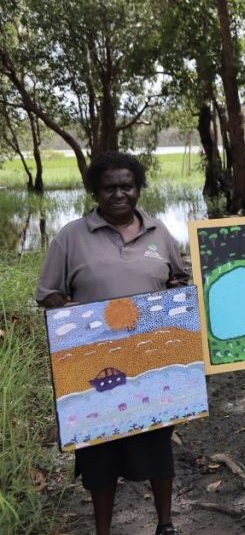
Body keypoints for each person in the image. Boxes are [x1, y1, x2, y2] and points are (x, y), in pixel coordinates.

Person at [36, 152, 189, 535]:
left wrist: (177, 292)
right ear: (95, 192)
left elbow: (180, 280)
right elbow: (48, 293)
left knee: (156, 444)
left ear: (138, 189)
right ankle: (103, 529)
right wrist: (72, 312)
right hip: (94, 361)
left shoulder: (160, 233)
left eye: (127, 186)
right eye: (109, 187)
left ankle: (165, 524)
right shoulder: (71, 236)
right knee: (99, 452)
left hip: (152, 358)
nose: (119, 193)